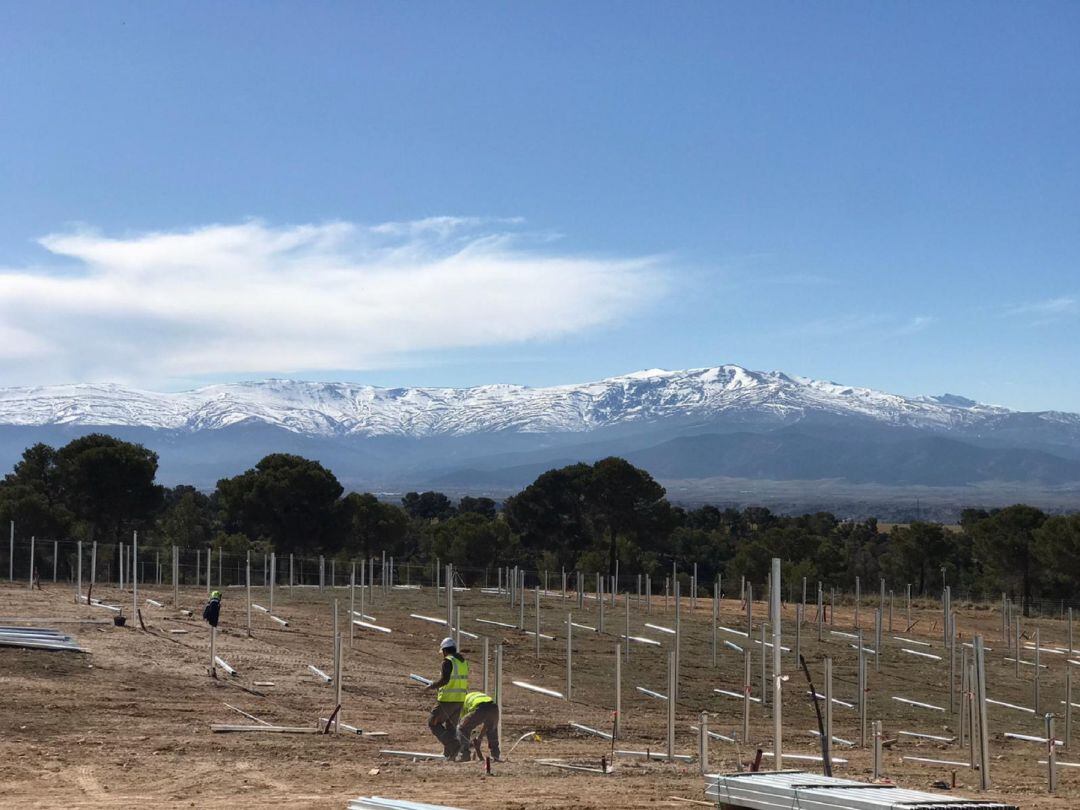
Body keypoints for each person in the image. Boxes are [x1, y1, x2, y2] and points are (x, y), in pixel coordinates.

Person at [425, 637, 469, 759]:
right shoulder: (463, 662)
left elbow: (445, 680)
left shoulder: (448, 661)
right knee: (451, 727)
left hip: (447, 699)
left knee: (433, 722)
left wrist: (433, 685)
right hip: (460, 699)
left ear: (445, 650)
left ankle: (453, 745)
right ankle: (449, 754)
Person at [456, 690, 500, 762]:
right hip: (494, 708)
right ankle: (496, 756)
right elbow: (486, 725)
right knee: (492, 731)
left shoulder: (463, 701)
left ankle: (464, 755)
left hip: (480, 708)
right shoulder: (476, 695)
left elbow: (464, 725)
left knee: (461, 728)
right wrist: (479, 738)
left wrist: (473, 739)